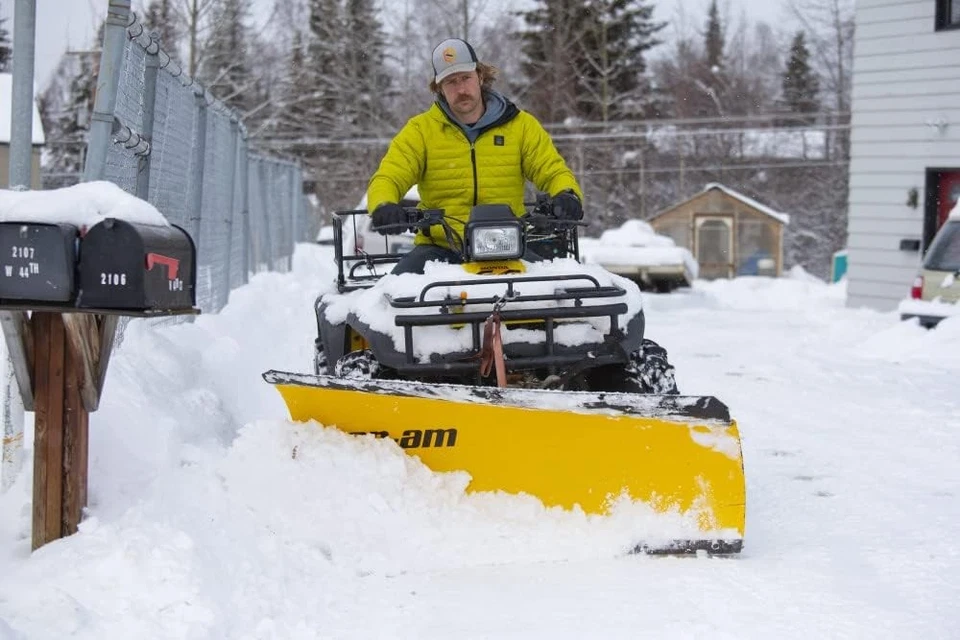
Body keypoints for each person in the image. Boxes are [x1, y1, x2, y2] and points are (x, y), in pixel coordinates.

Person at [366, 37, 584, 274]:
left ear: (480, 76)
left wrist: (567, 194)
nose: (461, 89)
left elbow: (552, 170)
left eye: (466, 78)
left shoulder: (521, 126)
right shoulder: (420, 131)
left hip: (512, 245)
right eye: (451, 82)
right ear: (439, 88)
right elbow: (389, 176)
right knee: (397, 297)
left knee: (556, 293)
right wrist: (384, 204)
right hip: (440, 249)